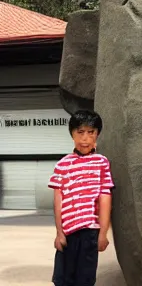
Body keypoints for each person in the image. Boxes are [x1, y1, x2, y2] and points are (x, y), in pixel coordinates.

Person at [48, 110, 114, 286]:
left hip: (89, 232)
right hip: (68, 232)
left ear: (97, 134)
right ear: (72, 134)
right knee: (63, 279)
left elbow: (105, 196)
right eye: (80, 132)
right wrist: (59, 232)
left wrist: (103, 233)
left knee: (85, 280)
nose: (85, 138)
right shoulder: (62, 165)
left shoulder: (101, 162)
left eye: (90, 132)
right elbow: (58, 199)